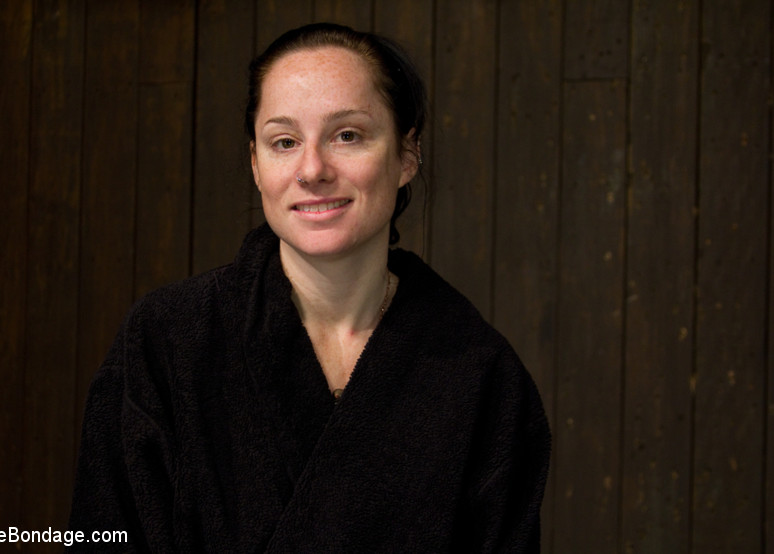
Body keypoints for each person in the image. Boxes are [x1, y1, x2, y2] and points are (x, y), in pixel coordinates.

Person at [69, 22, 550, 553]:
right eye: (285, 142)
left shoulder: (481, 375)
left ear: (407, 154)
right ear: (256, 164)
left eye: (348, 135)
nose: (312, 169)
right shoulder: (165, 340)